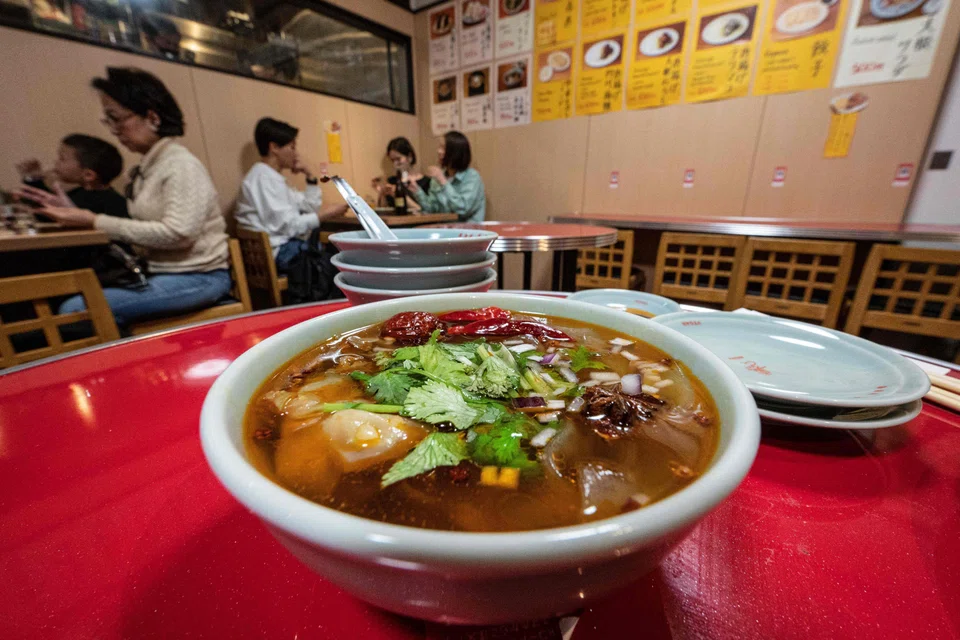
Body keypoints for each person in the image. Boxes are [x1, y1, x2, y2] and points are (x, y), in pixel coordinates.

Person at [37, 66, 231, 329]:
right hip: (163, 273)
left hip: (199, 277)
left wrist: (95, 221)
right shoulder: (147, 169)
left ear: (151, 117)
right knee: (72, 296)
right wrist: (76, 212)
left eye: (116, 118)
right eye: (109, 120)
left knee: (76, 310)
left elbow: (180, 232)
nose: (114, 130)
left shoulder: (180, 165)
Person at [234, 117, 348, 275]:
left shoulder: (270, 178)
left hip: (284, 248)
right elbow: (288, 227)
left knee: (337, 247)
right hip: (281, 252)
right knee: (344, 256)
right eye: (292, 147)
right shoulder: (264, 179)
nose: (296, 154)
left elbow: (309, 207)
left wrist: (309, 176)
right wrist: (325, 214)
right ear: (274, 147)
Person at [16, 134, 127, 219]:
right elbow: (43, 210)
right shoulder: (77, 194)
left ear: (88, 175)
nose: (56, 162)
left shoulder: (114, 204)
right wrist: (33, 178)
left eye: (62, 158)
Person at [407, 131, 485, 223]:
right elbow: (432, 210)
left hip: (468, 232)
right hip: (445, 232)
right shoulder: (438, 177)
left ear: (456, 152)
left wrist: (443, 182)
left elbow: (463, 209)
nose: (438, 151)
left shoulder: (472, 176)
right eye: (439, 147)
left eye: (443, 148)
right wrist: (417, 191)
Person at [373, 137, 431, 208]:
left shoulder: (426, 182)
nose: (395, 164)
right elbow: (383, 209)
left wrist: (398, 194)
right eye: (392, 160)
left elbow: (424, 211)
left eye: (398, 159)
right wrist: (382, 193)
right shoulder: (391, 181)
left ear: (409, 157)